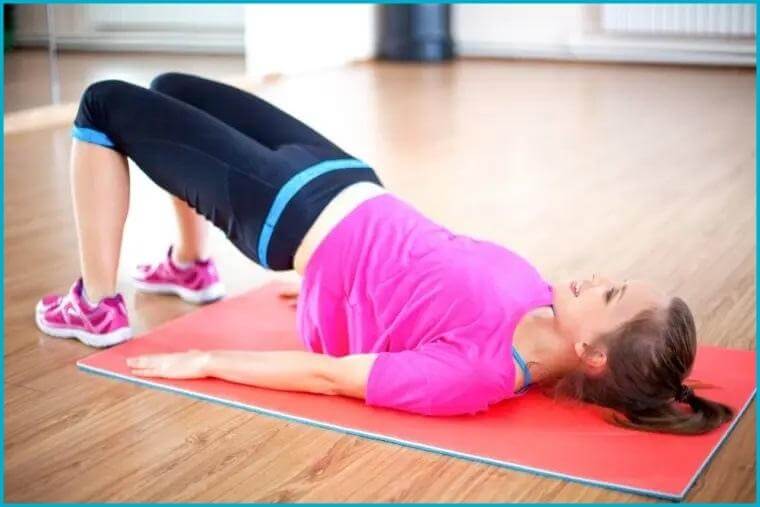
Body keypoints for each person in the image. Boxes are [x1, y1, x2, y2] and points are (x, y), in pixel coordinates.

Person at [36, 73, 733, 434]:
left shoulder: (477, 375)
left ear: (594, 355)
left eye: (610, 295)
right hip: (343, 174)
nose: (599, 278)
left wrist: (211, 361)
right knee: (170, 90)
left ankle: (97, 305)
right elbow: (427, 272)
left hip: (285, 211)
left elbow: (333, 375)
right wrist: (345, 291)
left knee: (104, 104)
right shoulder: (540, 296)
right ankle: (190, 267)